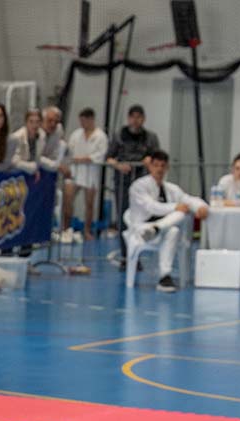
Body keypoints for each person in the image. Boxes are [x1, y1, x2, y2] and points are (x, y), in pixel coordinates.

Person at [127, 150, 208, 293]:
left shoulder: (171, 189)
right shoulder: (138, 186)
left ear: (167, 168)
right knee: (179, 212)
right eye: (156, 165)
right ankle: (156, 229)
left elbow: (188, 199)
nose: (159, 169)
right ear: (150, 166)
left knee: (175, 227)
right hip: (142, 228)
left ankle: (165, 276)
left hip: (159, 230)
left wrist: (201, 206)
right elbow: (152, 206)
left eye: (162, 166)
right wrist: (175, 206)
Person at [106, 105, 160, 266]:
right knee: (123, 218)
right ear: (128, 118)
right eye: (133, 117)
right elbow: (109, 157)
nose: (135, 120)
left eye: (139, 117)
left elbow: (158, 158)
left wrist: (149, 160)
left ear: (143, 119)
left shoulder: (150, 137)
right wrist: (118, 165)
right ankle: (126, 255)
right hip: (123, 183)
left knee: (141, 218)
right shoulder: (119, 136)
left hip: (142, 183)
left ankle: (137, 254)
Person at [61, 107, 108, 243]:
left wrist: (82, 159)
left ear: (91, 119)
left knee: (89, 204)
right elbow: (69, 151)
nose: (82, 124)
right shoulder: (76, 134)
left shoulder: (101, 136)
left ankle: (87, 230)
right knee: (67, 199)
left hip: (91, 173)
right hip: (74, 171)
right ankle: (66, 229)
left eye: (84, 121)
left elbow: (99, 156)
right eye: (80, 121)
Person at [10, 109, 56, 174]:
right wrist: (32, 167)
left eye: (37, 122)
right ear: (26, 123)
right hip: (14, 172)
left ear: (41, 123)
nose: (34, 125)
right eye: (31, 121)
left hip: (30, 172)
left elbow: (38, 157)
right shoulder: (17, 137)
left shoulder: (42, 135)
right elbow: (13, 161)